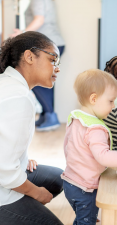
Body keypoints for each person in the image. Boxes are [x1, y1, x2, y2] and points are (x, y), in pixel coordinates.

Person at [61, 69, 117, 225]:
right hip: (85, 188)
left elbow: (67, 146)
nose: (113, 105)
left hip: (70, 181)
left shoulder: (77, 117)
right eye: (110, 101)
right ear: (94, 99)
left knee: (84, 219)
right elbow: (103, 156)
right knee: (87, 222)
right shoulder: (95, 128)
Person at [0, 31, 64, 225]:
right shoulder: (19, 97)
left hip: (4, 171)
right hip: (2, 183)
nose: (57, 69)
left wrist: (21, 157)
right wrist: (36, 193)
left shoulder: (10, 84)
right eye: (53, 60)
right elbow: (4, 170)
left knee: (57, 179)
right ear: (29, 57)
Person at [11, 0, 65, 131]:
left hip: (47, 45)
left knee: (37, 78)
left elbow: (39, 20)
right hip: (49, 44)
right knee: (44, 79)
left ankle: (51, 116)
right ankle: (46, 115)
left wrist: (21, 34)